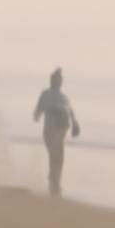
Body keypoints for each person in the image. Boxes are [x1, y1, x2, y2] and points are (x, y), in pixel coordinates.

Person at [34, 67, 80, 197]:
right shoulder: (46, 94)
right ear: (51, 80)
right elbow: (38, 109)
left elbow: (70, 111)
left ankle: (55, 182)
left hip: (61, 131)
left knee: (59, 157)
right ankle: (53, 183)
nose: (57, 82)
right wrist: (37, 114)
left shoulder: (64, 96)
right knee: (55, 155)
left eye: (59, 80)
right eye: (55, 79)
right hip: (49, 131)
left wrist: (75, 123)